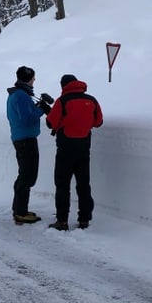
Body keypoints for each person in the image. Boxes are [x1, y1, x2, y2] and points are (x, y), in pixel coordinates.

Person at [46, 74, 103, 230]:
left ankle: (62, 221)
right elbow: (98, 122)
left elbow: (50, 123)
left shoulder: (63, 101)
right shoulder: (91, 100)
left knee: (62, 184)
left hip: (65, 148)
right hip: (84, 147)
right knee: (83, 184)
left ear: (63, 85)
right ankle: (84, 219)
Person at [6, 66, 54, 225]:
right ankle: (20, 212)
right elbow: (27, 119)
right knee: (27, 176)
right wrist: (41, 109)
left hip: (22, 138)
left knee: (25, 174)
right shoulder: (20, 96)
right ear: (28, 79)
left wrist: (38, 106)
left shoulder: (19, 94)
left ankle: (19, 210)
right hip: (25, 139)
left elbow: (25, 114)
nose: (34, 80)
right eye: (33, 78)